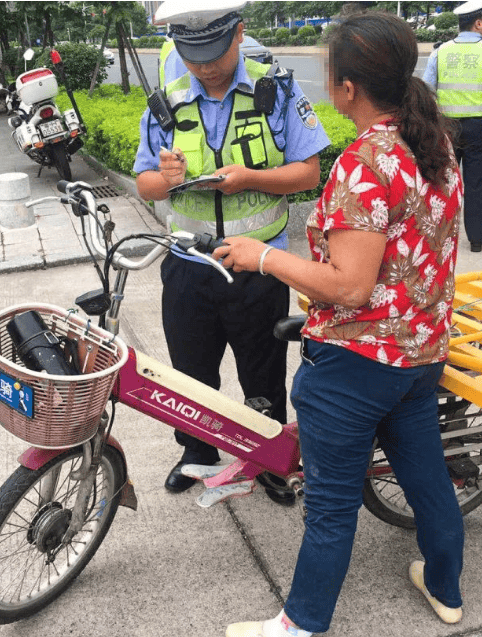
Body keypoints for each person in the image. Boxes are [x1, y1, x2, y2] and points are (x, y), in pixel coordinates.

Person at [216, 13, 466, 637]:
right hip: (419, 353)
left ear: (347, 87)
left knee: (329, 505)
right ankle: (445, 589)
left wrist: (262, 257)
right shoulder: (433, 142)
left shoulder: (365, 162)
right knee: (426, 475)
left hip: (357, 365)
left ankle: (301, 624)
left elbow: (351, 286)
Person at [133, 0, 329, 500]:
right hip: (188, 265)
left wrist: (250, 180)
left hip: (259, 265)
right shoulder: (166, 100)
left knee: (261, 368)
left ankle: (266, 460)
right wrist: (166, 179)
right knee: (190, 370)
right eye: (191, 53)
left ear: (239, 34)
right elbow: (144, 185)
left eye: (214, 52)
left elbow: (309, 172)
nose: (203, 65)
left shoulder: (276, 88)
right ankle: (197, 452)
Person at [422, 0, 482, 253]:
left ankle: (437, 235)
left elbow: (427, 91)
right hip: (477, 127)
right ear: (478, 23)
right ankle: (476, 239)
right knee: (478, 183)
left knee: (441, 181)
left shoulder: (439, 52)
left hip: (445, 127)